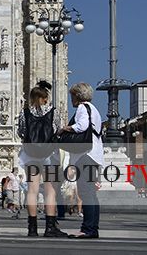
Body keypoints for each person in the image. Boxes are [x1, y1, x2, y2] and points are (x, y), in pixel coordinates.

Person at [17, 83, 66, 237]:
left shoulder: (24, 113)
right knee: (50, 191)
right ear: (45, 98)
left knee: (32, 190)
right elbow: (59, 130)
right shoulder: (53, 112)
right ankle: (50, 228)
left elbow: (21, 132)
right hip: (49, 155)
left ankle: (32, 229)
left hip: (31, 155)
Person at [60, 82, 103, 239]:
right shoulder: (94, 109)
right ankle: (92, 228)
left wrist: (65, 128)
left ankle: (87, 229)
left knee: (86, 193)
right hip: (94, 156)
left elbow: (82, 126)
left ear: (77, 96)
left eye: (72, 96)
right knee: (90, 193)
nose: (71, 99)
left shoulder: (82, 108)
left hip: (85, 155)